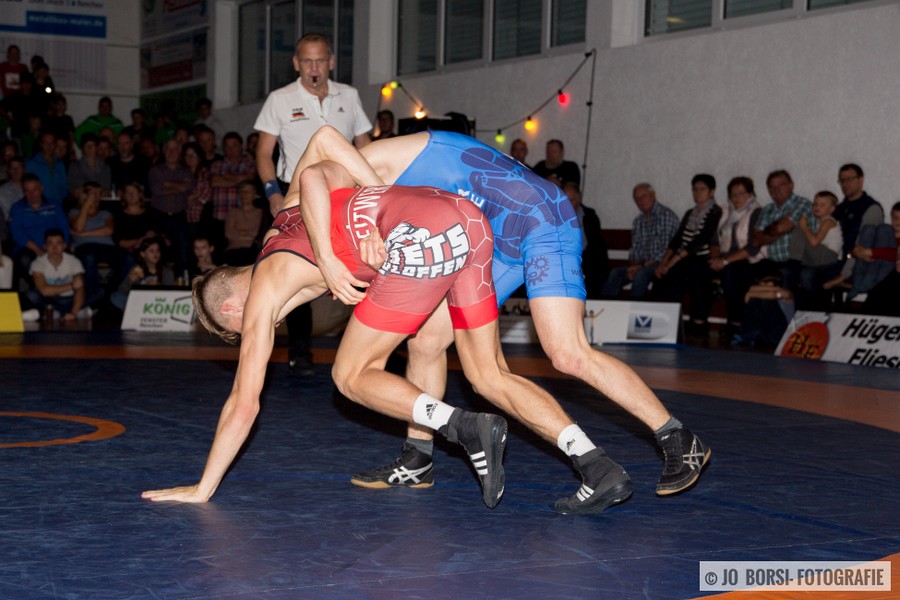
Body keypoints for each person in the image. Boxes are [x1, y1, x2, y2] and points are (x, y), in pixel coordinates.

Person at [143, 171, 628, 515]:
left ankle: (463, 426)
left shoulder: (263, 291)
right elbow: (323, 148)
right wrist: (377, 203)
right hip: (469, 221)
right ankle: (595, 463)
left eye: (237, 331)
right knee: (483, 373)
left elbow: (244, 403)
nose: (252, 331)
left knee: (349, 374)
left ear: (232, 309)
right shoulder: (284, 221)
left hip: (423, 234)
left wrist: (204, 487)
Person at [291, 126, 711, 499]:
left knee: (568, 354)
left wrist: (315, 225)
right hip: (492, 239)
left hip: (541, 219)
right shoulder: (355, 191)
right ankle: (419, 457)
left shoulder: (362, 168)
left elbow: (325, 139)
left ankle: (678, 438)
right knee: (434, 345)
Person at [253, 32, 372, 376]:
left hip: (345, 192)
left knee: (368, 262)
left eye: (320, 60)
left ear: (331, 61)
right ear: (296, 63)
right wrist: (272, 193)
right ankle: (300, 350)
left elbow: (365, 144)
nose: (314, 67)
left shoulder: (349, 95)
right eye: (307, 61)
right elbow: (263, 152)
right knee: (291, 266)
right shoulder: (280, 99)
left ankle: (374, 346)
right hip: (295, 193)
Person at [652, 174, 722, 334]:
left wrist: (671, 263)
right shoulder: (690, 213)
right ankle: (663, 321)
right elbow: (677, 240)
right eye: (695, 189)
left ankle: (698, 323)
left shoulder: (716, 212)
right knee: (662, 276)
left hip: (704, 258)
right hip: (686, 258)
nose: (697, 193)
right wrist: (664, 263)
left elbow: (700, 240)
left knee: (696, 273)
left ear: (712, 191)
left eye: (702, 189)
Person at [601, 183, 680, 299]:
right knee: (615, 273)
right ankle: (606, 306)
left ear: (653, 196)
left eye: (643, 196)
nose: (640, 201)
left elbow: (665, 250)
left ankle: (634, 307)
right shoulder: (638, 221)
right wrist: (633, 266)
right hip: (641, 264)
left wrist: (640, 266)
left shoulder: (666, 216)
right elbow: (635, 249)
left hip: (662, 263)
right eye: (637, 198)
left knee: (640, 274)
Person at [708, 176, 763, 338]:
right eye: (733, 194)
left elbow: (753, 248)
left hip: (749, 261)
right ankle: (698, 321)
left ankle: (736, 322)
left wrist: (724, 261)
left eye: (741, 193)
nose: (736, 198)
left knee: (732, 271)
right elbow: (715, 241)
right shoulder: (726, 212)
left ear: (750, 194)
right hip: (725, 259)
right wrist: (715, 257)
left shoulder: (757, 213)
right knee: (697, 268)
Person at [751, 169, 812, 294]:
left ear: (791, 185)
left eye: (781, 185)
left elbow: (780, 228)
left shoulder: (802, 204)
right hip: (772, 263)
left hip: (798, 262)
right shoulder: (767, 209)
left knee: (786, 274)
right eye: (772, 187)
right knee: (743, 272)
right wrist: (781, 229)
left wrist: (769, 232)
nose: (776, 190)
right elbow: (756, 240)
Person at [9, 174, 70, 284]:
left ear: (41, 189)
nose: (31, 194)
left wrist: (57, 247)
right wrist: (37, 250)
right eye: (27, 191)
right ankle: (40, 288)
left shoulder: (54, 205)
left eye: (34, 190)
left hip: (55, 245)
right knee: (24, 258)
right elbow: (17, 234)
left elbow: (64, 227)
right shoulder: (17, 208)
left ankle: (57, 287)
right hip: (29, 248)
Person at [68, 181, 122, 304]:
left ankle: (111, 292)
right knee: (89, 257)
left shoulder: (105, 213)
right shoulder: (74, 212)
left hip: (106, 247)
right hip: (85, 247)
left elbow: (109, 230)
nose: (97, 196)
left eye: (99, 193)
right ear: (85, 194)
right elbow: (79, 227)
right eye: (94, 193)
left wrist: (84, 234)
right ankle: (92, 297)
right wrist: (86, 204)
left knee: (127, 258)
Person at [789, 191, 843, 309]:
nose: (817, 207)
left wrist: (804, 227)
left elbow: (814, 242)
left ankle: (794, 262)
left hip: (828, 256)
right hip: (820, 257)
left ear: (832, 209)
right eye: (815, 204)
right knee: (805, 275)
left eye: (822, 205)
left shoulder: (828, 221)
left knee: (800, 228)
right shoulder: (820, 221)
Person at [24, 228, 91, 321]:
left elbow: (80, 287)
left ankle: (60, 312)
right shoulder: (38, 263)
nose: (54, 248)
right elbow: (44, 291)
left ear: (64, 246)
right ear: (45, 246)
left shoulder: (73, 261)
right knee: (31, 295)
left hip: (70, 298)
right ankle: (59, 311)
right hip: (50, 299)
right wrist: (71, 285)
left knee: (96, 293)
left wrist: (73, 313)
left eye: (58, 243)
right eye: (50, 244)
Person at [147, 139, 192, 276]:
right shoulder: (155, 170)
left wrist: (166, 183)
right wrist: (179, 186)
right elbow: (157, 190)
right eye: (168, 149)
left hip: (179, 216)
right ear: (163, 151)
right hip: (159, 216)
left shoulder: (186, 171)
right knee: (158, 251)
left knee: (182, 252)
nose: (171, 152)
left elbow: (188, 188)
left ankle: (181, 280)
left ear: (179, 152)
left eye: (175, 149)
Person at [209, 132, 256, 246]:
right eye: (227, 146)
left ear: (241, 146)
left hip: (242, 217)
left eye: (234, 145)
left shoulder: (249, 164)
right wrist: (239, 179)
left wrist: (224, 177)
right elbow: (214, 182)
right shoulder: (216, 165)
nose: (230, 149)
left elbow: (249, 180)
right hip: (220, 216)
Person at [563, 181, 608, 298]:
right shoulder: (555, 217)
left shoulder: (590, 216)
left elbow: (596, 243)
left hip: (588, 259)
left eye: (572, 200)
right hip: (566, 258)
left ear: (579, 199)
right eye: (565, 200)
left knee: (594, 267)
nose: (568, 204)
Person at [111, 236, 174, 310]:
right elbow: (122, 291)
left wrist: (157, 287)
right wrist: (130, 280)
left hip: (158, 303)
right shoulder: (137, 269)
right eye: (151, 251)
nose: (155, 254)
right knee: (115, 296)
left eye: (157, 251)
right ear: (143, 254)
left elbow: (170, 293)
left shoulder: (166, 271)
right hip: (139, 301)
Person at [222, 181, 263, 266]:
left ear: (254, 195)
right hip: (233, 252)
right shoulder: (232, 212)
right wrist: (249, 236)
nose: (244, 194)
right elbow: (229, 233)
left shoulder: (260, 213)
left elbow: (256, 234)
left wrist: (239, 232)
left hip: (253, 252)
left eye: (248, 192)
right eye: (242, 191)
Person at [25, 131, 68, 206]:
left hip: (57, 206)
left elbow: (64, 188)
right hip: (39, 206)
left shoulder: (59, 164)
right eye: (46, 143)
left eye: (52, 143)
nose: (49, 146)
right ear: (41, 144)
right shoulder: (31, 164)